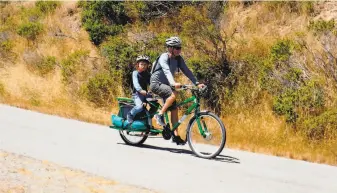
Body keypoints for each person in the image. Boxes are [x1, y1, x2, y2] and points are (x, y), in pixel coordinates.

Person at [149, 36, 205, 145]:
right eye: (177, 48)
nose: (179, 50)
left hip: (166, 85)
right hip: (156, 84)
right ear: (170, 48)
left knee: (174, 110)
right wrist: (173, 83)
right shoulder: (164, 57)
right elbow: (166, 71)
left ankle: (175, 136)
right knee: (174, 93)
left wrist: (197, 83)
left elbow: (187, 71)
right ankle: (159, 115)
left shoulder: (179, 59)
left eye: (180, 47)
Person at [127, 55, 152, 124]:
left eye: (145, 64)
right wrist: (140, 90)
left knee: (156, 105)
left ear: (147, 65)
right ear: (138, 65)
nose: (143, 66)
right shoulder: (135, 73)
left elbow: (151, 84)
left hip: (146, 94)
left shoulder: (148, 74)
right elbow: (136, 83)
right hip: (137, 94)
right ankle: (130, 114)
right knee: (140, 107)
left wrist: (154, 90)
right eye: (141, 64)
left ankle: (148, 122)